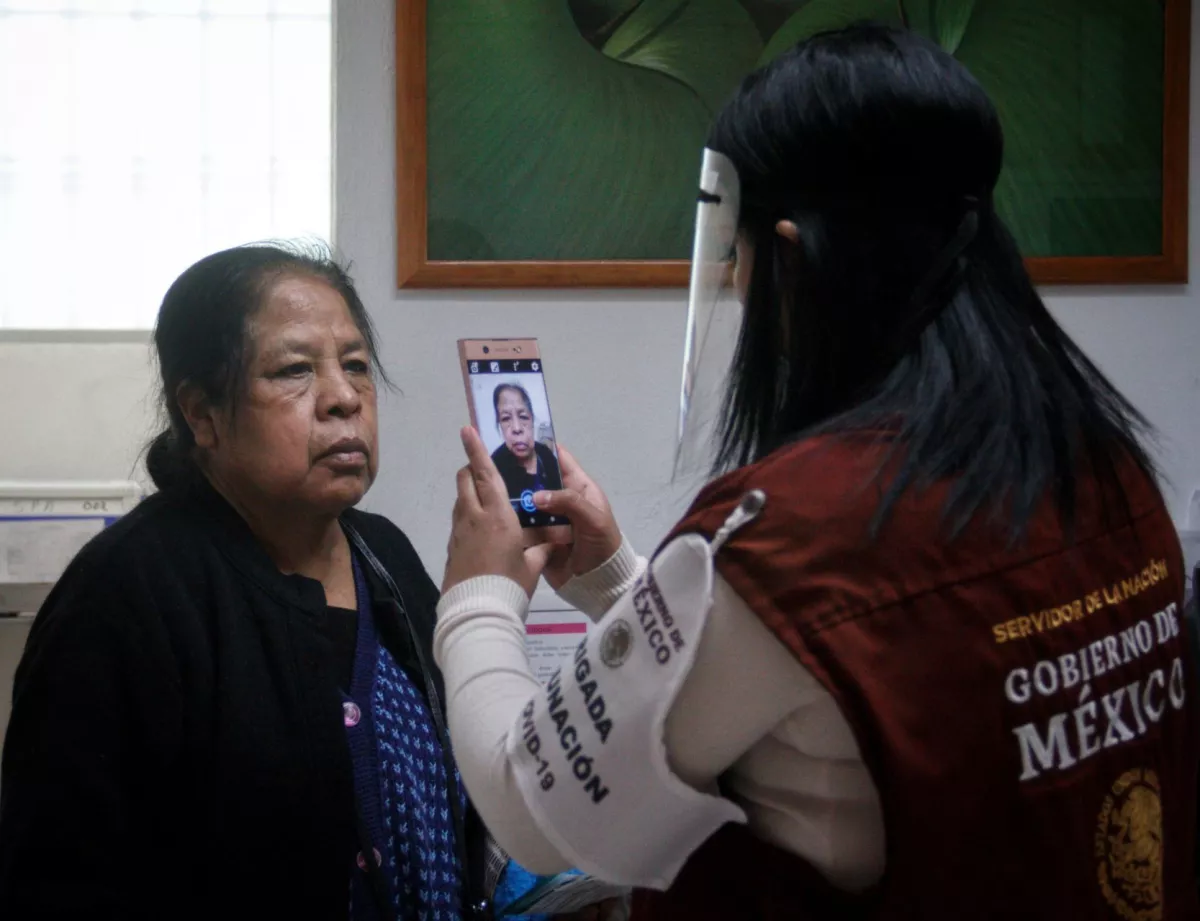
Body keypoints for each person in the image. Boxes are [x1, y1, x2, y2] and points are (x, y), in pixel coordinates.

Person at [434, 24, 1198, 921]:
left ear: (792, 258)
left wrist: (476, 596)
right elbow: (823, 687)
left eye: (741, 257)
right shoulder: (1107, 472)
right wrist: (621, 582)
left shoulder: (800, 538)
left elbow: (531, 807)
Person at [0, 243, 503, 921]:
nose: (344, 398)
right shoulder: (124, 596)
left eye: (355, 365)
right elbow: (58, 879)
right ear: (202, 414)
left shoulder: (383, 551)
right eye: (295, 370)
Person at [489, 383, 562, 505]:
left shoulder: (546, 455)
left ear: (532, 419)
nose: (517, 428)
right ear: (499, 424)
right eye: (506, 418)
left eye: (523, 417)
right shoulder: (495, 466)